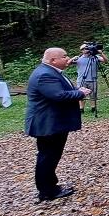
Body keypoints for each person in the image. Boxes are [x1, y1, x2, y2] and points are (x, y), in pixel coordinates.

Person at [24, 48, 91, 202]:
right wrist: (80, 93)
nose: (67, 58)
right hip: (47, 123)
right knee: (47, 156)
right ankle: (47, 191)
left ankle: (50, 185)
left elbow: (61, 90)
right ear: (53, 60)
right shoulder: (45, 75)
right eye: (64, 56)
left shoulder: (50, 71)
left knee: (51, 155)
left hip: (53, 122)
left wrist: (76, 90)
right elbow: (58, 95)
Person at [70, 43, 107, 111]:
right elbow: (68, 63)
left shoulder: (95, 57)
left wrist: (101, 53)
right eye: (85, 49)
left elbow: (106, 61)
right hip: (81, 80)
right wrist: (73, 58)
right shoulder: (79, 58)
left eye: (87, 48)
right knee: (81, 94)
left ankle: (93, 108)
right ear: (82, 50)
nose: (86, 50)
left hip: (93, 79)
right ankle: (81, 108)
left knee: (93, 94)